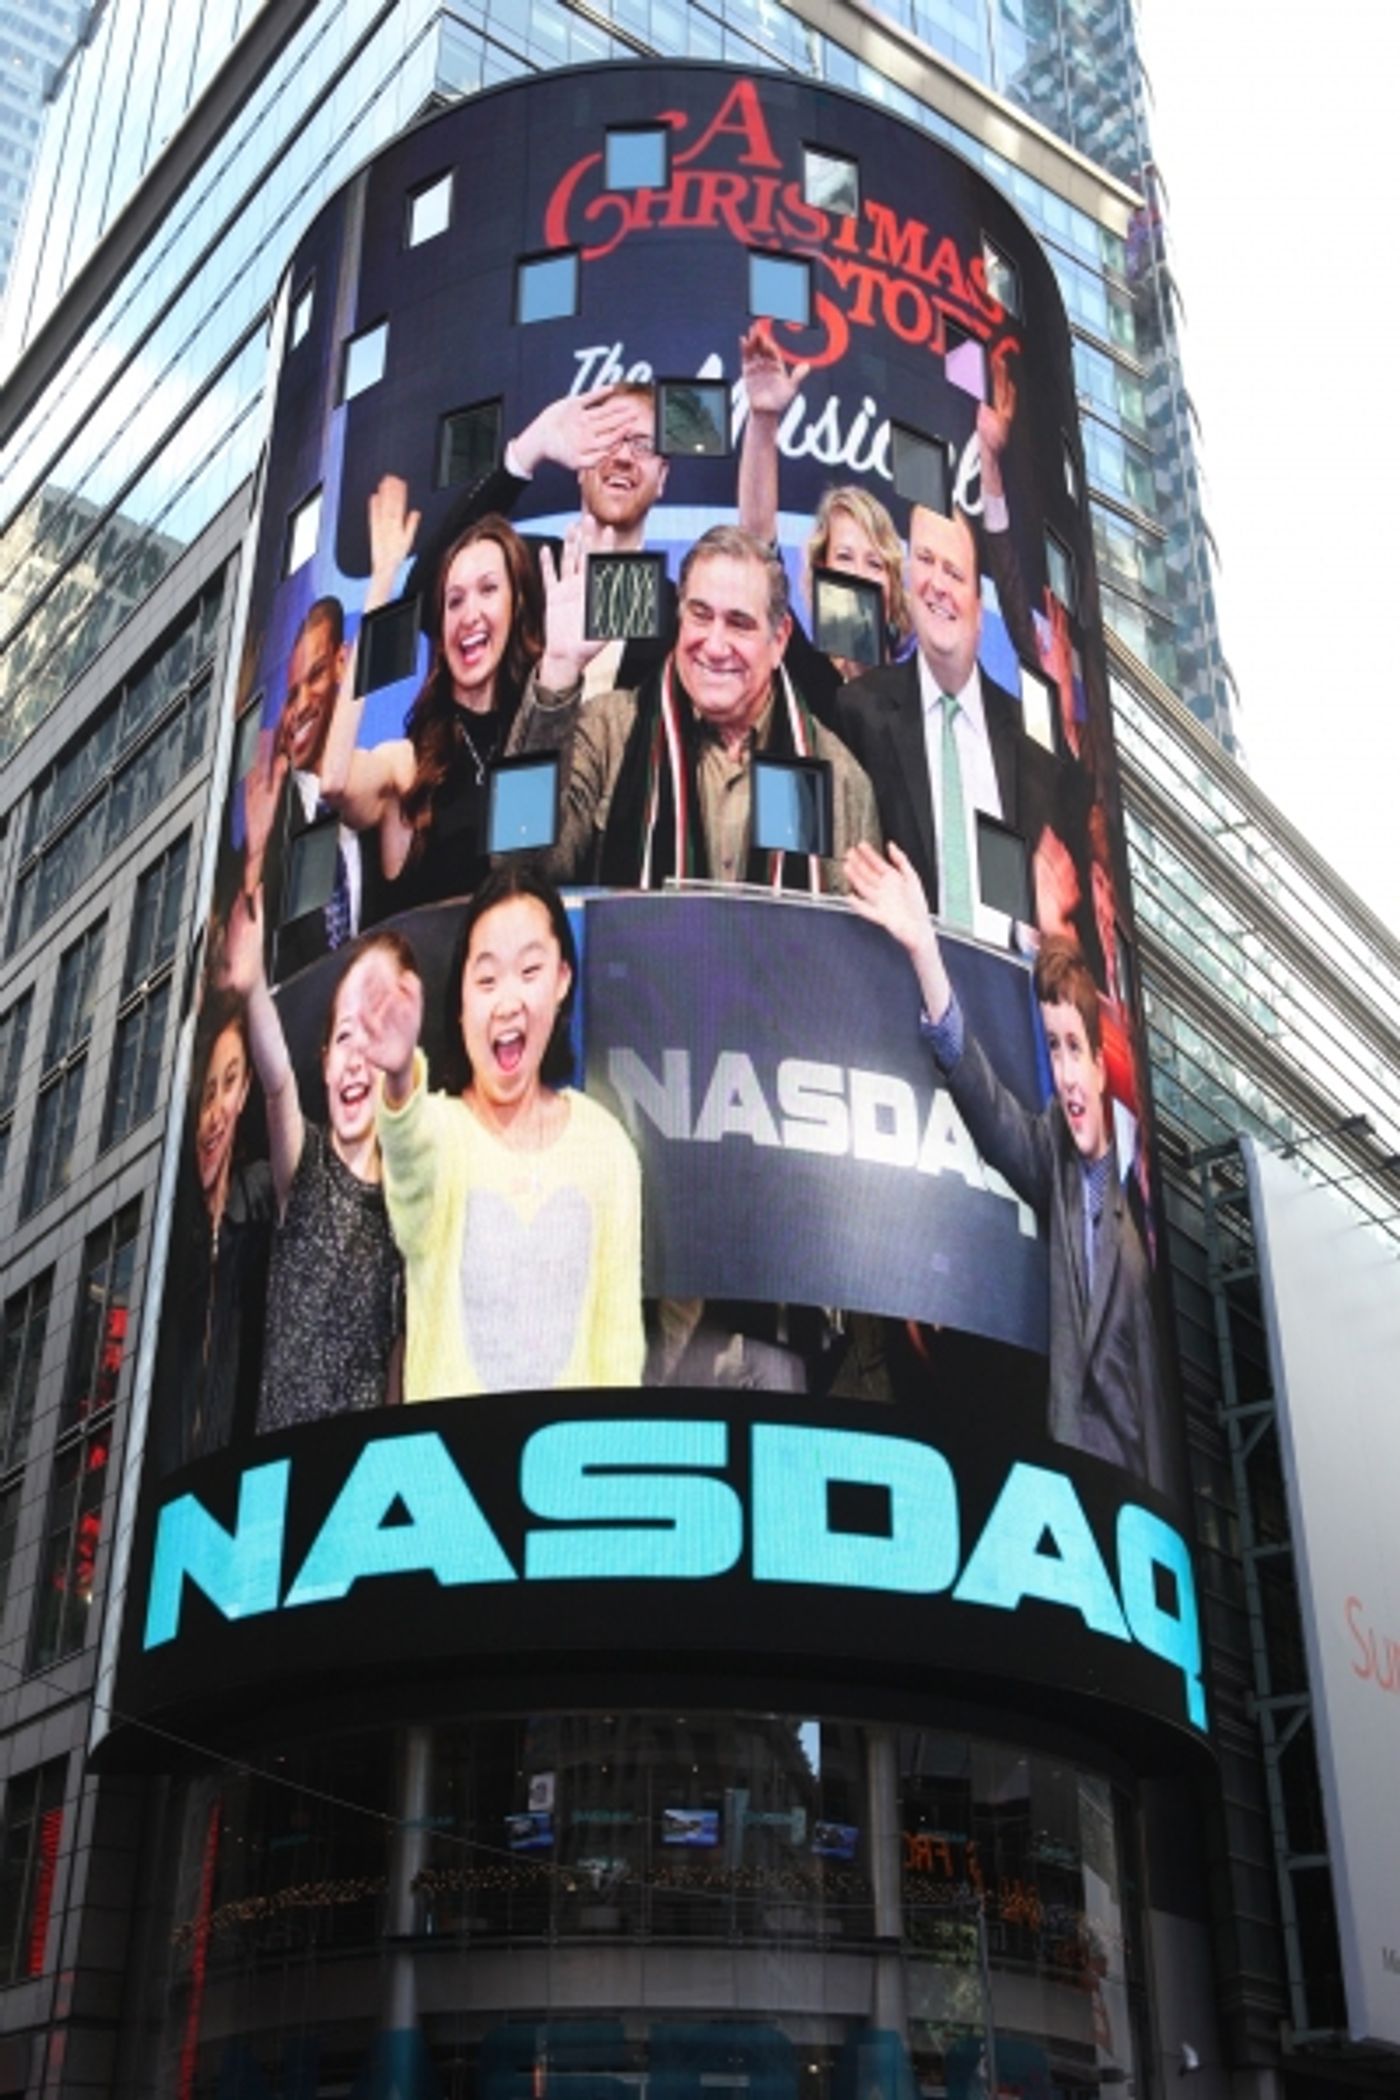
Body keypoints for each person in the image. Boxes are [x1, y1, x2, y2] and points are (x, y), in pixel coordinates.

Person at [844, 838, 1170, 1493]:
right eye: (1053, 1050)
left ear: (1103, 1065)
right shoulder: (1055, 1160)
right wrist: (923, 951)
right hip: (1075, 1483)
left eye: (1076, 1048)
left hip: (1135, 1499)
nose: (1067, 1074)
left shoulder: (1141, 1211)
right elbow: (981, 1095)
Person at [360, 867, 644, 1399]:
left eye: (529, 971)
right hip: (446, 1473)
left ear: (563, 979)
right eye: (487, 980)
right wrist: (398, 1079)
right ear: (462, 1002)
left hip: (563, 1474)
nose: (507, 1000)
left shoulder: (606, 1150)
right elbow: (408, 1166)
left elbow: (619, 1357)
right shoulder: (441, 1134)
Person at [514, 523, 882, 893]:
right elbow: (516, 861)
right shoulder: (610, 730)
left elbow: (850, 946)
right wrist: (558, 666)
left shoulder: (839, 777)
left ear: (780, 639)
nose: (715, 645)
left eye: (739, 623)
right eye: (701, 615)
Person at [221, 888, 404, 1431]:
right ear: (325, 1063)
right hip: (284, 1453)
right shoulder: (308, 1166)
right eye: (345, 1039)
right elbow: (277, 1083)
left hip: (361, 1461)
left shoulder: (408, 1194)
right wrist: (252, 981)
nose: (356, 1062)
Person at [833, 503, 1063, 934]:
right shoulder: (859, 712)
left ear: (978, 604)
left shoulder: (1029, 742)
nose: (936, 584)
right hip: (898, 988)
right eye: (924, 561)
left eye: (954, 573)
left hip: (1006, 989)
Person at [319, 507, 544, 915]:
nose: (469, 615)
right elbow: (335, 780)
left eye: (488, 590)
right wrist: (381, 584)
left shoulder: (535, 738)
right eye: (454, 601)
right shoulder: (409, 763)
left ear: (517, 605)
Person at [737, 321, 910, 713]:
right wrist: (764, 419)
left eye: (875, 563)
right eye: (845, 557)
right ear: (818, 571)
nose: (859, 574)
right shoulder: (799, 670)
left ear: (893, 586)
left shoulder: (917, 697)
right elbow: (757, 543)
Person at [158, 988, 275, 1468]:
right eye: (207, 1094)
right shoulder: (173, 1244)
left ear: (246, 1088)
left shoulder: (262, 1196)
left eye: (229, 1085)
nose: (216, 1114)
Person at [241, 596, 368, 979]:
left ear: (342, 663)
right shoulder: (269, 824)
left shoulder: (376, 799)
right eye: (291, 694)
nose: (301, 707)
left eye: (315, 676)